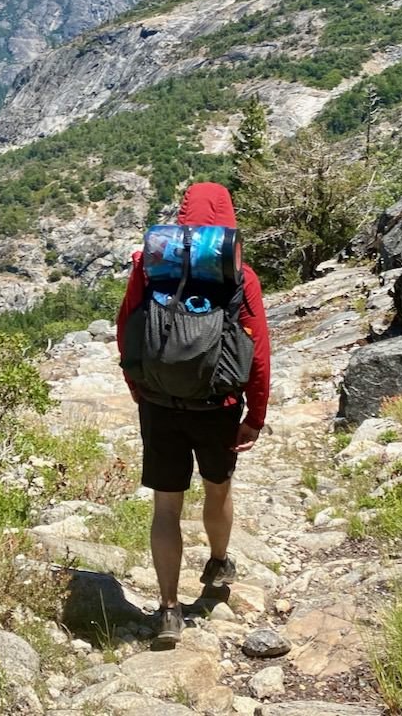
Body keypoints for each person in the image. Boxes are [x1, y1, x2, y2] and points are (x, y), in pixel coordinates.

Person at [115, 181, 271, 646]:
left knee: (166, 506)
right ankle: (218, 563)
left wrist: (137, 386)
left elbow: (129, 325)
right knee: (217, 488)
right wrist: (255, 413)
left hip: (160, 401)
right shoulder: (240, 273)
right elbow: (257, 350)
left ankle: (167, 610)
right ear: (228, 217)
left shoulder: (149, 262)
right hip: (218, 402)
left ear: (182, 215)